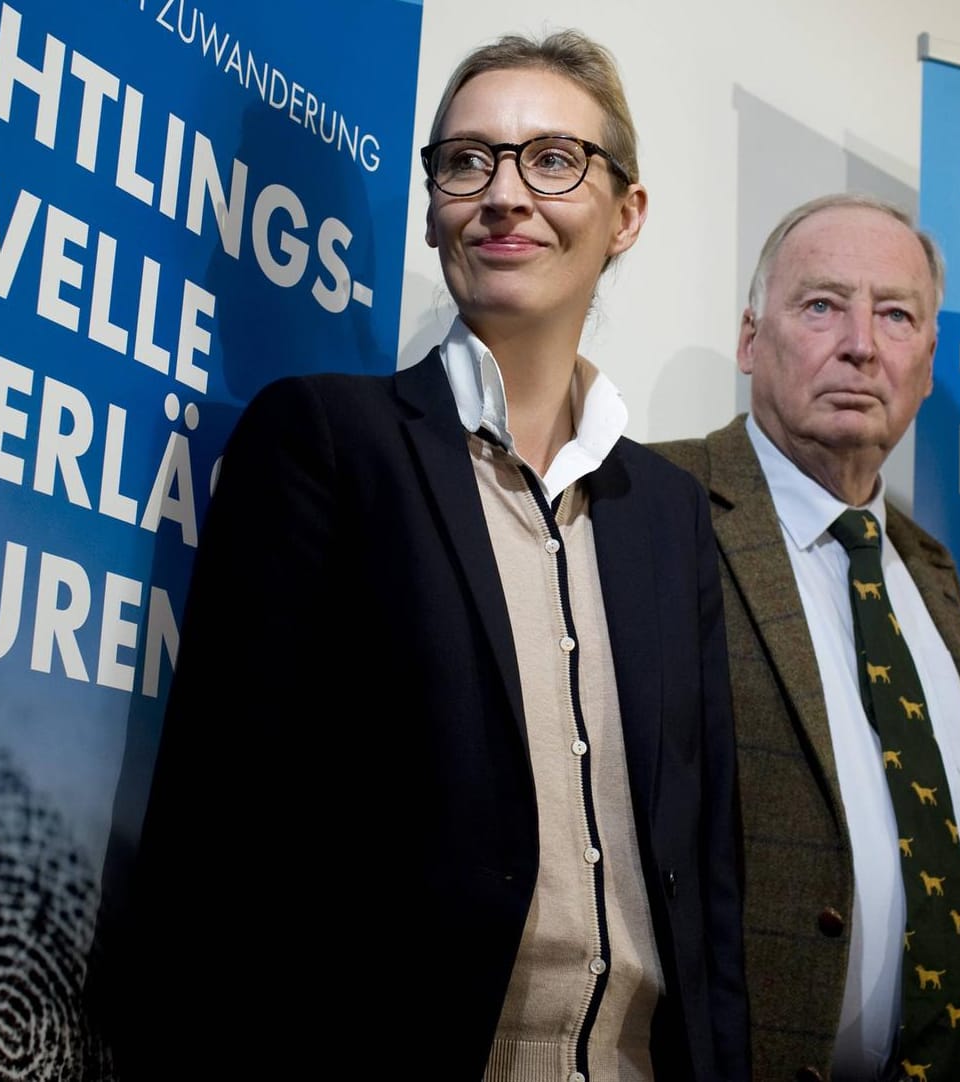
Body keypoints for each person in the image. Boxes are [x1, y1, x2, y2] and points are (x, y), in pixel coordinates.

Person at [118, 30, 748, 1082]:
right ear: (430, 209)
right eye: (466, 161)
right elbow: (219, 847)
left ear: (625, 214)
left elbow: (710, 858)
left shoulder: (668, 511)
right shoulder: (325, 441)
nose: (504, 194)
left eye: (553, 159)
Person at [654, 194, 960, 1082]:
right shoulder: (653, 504)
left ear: (927, 362)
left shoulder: (929, 570)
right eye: (821, 305)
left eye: (895, 314)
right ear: (751, 340)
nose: (860, 343)